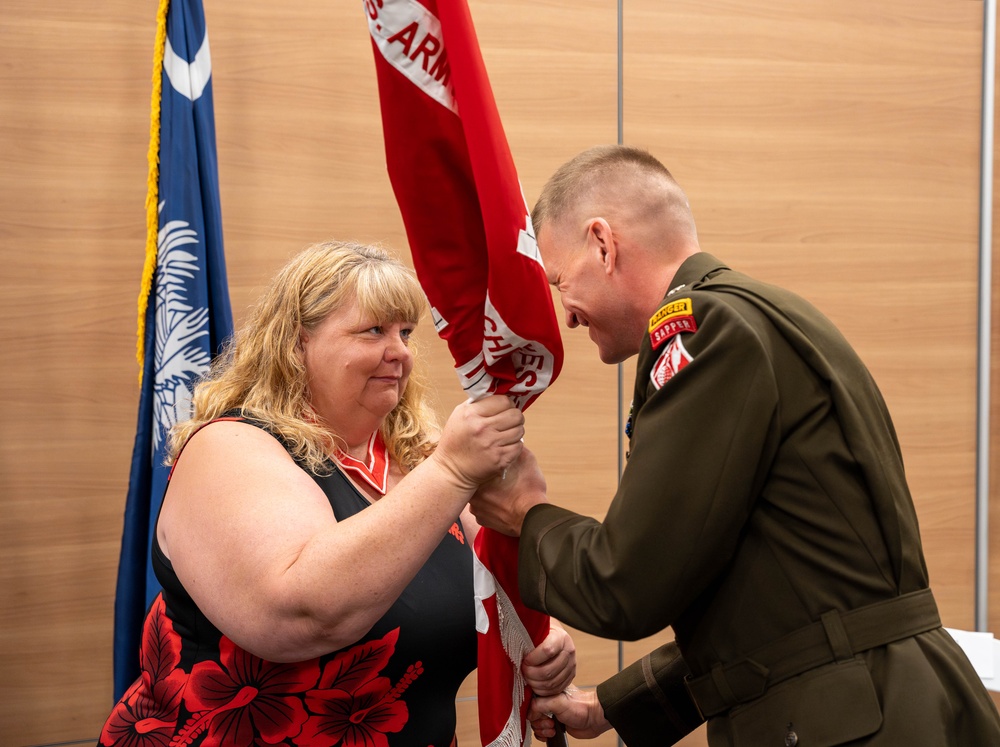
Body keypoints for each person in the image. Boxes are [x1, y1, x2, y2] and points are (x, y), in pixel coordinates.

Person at [469, 145, 1000, 746]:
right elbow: (778, 601)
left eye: (559, 280)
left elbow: (628, 584)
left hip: (849, 720)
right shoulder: (765, 313)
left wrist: (526, 516)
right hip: (883, 702)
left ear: (603, 243)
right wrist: (614, 706)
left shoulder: (704, 332)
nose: (564, 314)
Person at [100, 241, 575, 747]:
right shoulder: (230, 446)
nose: (401, 352)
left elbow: (495, 595)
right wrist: (453, 470)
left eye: (405, 332)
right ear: (297, 342)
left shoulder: (419, 459)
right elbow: (300, 615)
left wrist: (538, 643)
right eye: (374, 330)